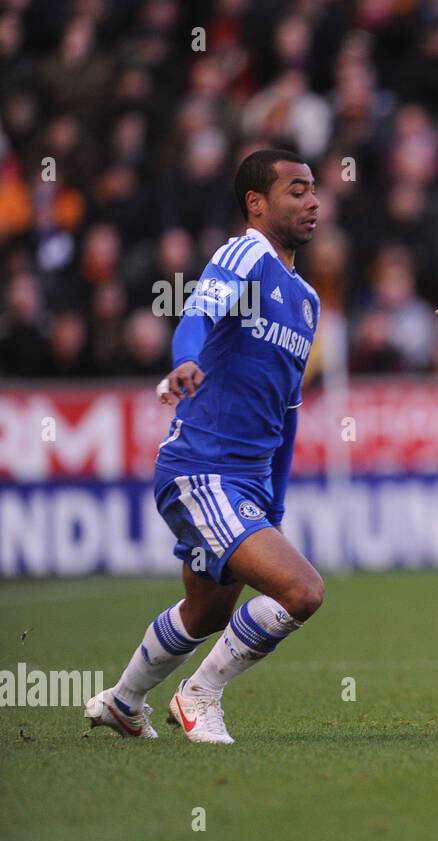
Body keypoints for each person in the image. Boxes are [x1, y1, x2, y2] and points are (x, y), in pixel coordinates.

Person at [84, 149, 324, 742]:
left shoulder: (306, 300)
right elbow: (197, 312)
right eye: (296, 190)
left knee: (208, 611)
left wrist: (275, 501)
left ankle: (124, 700)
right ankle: (199, 694)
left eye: (314, 189)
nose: (313, 200)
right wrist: (185, 359)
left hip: (244, 481)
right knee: (301, 591)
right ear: (256, 203)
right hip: (201, 470)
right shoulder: (246, 254)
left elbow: (289, 413)